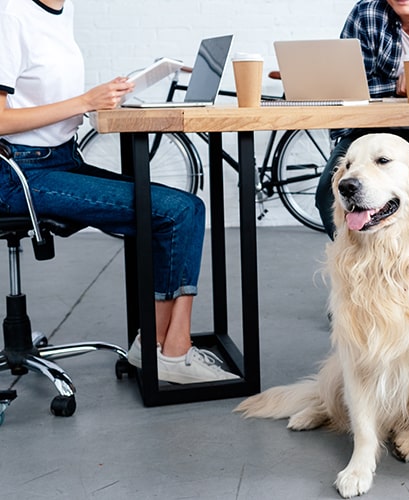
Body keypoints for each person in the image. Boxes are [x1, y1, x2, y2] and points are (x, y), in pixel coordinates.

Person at [0, 0, 237, 384]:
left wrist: (108, 98)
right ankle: (170, 351)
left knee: (188, 208)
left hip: (61, 159)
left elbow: (45, 98)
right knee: (175, 212)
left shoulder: (63, 10)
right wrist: (84, 101)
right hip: (21, 173)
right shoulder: (12, 14)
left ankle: (162, 344)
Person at [314, 0, 409, 238]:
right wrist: (406, 84)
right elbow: (349, 86)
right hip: (369, 131)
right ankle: (358, 263)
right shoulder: (366, 14)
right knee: (326, 196)